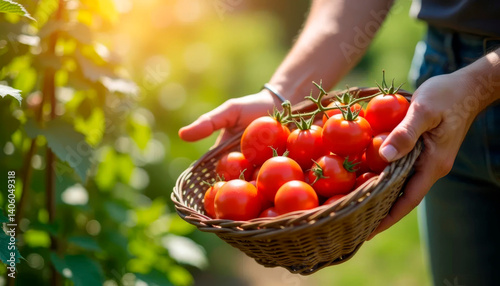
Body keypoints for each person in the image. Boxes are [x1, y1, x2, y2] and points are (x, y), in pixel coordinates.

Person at [178, 0, 500, 284]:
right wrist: (281, 94)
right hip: (442, 75)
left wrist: (476, 87)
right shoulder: (322, 152)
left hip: (455, 88)